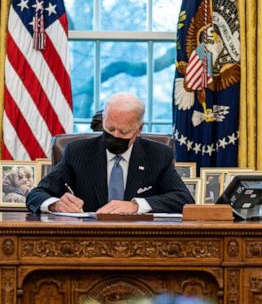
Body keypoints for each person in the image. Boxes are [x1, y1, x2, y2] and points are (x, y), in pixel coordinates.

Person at [26, 92, 193, 214]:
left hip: (141, 241)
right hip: (87, 241)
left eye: (124, 131)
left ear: (138, 130)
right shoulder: (78, 152)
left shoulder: (158, 155)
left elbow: (183, 199)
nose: (116, 136)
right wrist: (56, 204)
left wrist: (136, 206)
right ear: (104, 121)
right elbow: (36, 194)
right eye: (110, 128)